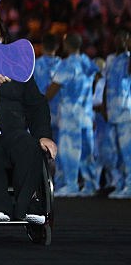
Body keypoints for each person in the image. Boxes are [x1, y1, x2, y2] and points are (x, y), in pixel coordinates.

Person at [0, 27, 57, 224]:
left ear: (3, 38)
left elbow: (37, 104)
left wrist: (44, 135)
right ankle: (0, 208)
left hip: (14, 131)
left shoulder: (17, 66)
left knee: (30, 146)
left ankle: (27, 207)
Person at [46, 32, 100, 196]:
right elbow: (98, 77)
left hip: (71, 116)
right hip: (86, 114)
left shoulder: (67, 64)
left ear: (67, 45)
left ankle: (71, 185)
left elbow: (54, 88)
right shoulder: (87, 61)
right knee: (86, 151)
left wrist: (41, 100)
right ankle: (90, 185)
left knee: (70, 150)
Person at [102, 29, 131, 198]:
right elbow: (106, 84)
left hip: (126, 112)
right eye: (118, 37)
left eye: (124, 38)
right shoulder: (110, 59)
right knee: (114, 152)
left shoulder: (128, 59)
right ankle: (121, 184)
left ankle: (129, 184)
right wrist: (105, 106)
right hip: (112, 112)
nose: (120, 41)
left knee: (127, 152)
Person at [33, 33, 62, 143]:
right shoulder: (63, 66)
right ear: (57, 46)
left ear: (42, 46)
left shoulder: (34, 65)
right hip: (59, 115)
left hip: (39, 114)